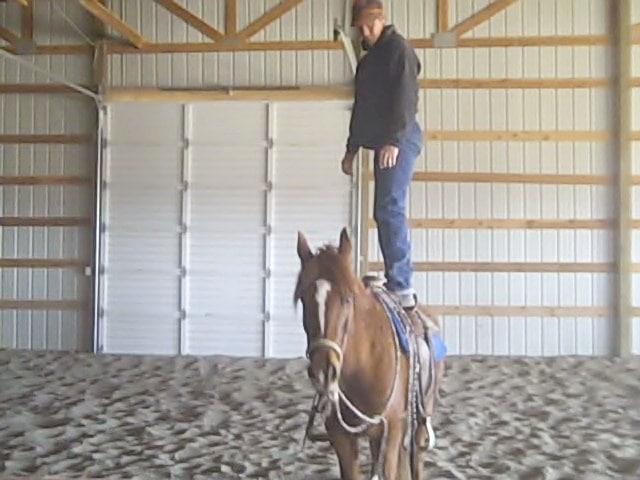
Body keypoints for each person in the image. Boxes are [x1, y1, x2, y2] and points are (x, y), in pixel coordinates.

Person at [341, 0, 423, 310]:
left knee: (390, 207)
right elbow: (361, 109)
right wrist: (351, 149)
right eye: (360, 27)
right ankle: (395, 278)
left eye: (370, 24)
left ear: (382, 20)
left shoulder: (398, 50)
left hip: (401, 136)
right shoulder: (368, 63)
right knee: (382, 210)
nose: (365, 31)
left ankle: (402, 285)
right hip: (386, 140)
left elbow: (406, 98)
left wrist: (394, 141)